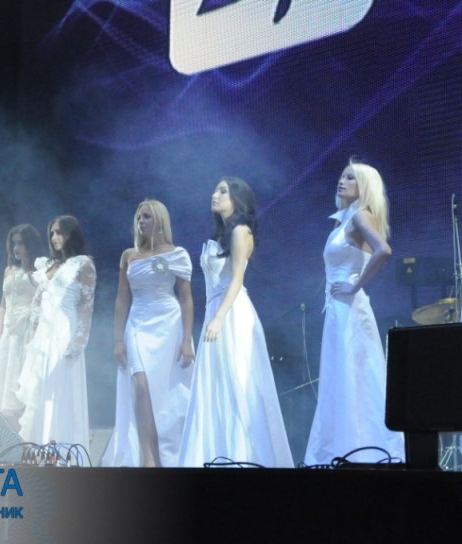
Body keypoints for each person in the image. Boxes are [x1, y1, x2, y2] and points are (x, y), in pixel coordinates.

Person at [178, 177, 293, 468]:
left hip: (232, 315)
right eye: (215, 189)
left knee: (238, 383)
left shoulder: (241, 231)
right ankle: (217, 453)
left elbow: (237, 279)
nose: (215, 194)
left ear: (237, 199)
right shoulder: (221, 234)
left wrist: (218, 318)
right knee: (215, 386)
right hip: (215, 312)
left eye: (223, 191)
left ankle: (245, 458)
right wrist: (213, 317)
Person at [305, 160, 404, 464]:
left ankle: (364, 450)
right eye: (342, 176)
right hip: (337, 310)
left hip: (350, 309)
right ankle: (343, 447)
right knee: (341, 377)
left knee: (357, 376)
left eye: (351, 178)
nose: (342, 181)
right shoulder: (344, 219)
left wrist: (355, 285)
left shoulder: (361, 215)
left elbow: (383, 250)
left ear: (364, 186)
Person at [102, 199, 194, 467]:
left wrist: (187, 340)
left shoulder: (177, 254)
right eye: (139, 217)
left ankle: (169, 453)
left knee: (165, 393)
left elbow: (186, 299)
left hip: (169, 324)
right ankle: (148, 457)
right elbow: (122, 299)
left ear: (160, 221)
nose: (141, 221)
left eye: (146, 217)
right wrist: (118, 339)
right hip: (138, 324)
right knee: (140, 385)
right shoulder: (129, 255)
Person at [16, 215, 96, 448]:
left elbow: (87, 307)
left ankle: (62, 449)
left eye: (59, 232)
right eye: (52, 233)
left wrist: (78, 341)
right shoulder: (50, 266)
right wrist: (34, 327)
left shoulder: (82, 264)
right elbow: (38, 299)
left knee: (61, 392)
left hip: (64, 336)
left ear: (71, 234)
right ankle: (40, 448)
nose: (54, 237)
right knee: (41, 392)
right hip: (44, 337)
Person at [0, 224, 44, 423]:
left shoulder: (40, 271)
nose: (16, 248)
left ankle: (27, 431)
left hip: (28, 333)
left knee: (24, 385)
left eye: (21, 243)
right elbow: (3, 305)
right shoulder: (9, 270)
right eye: (14, 243)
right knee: (6, 385)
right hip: (9, 332)